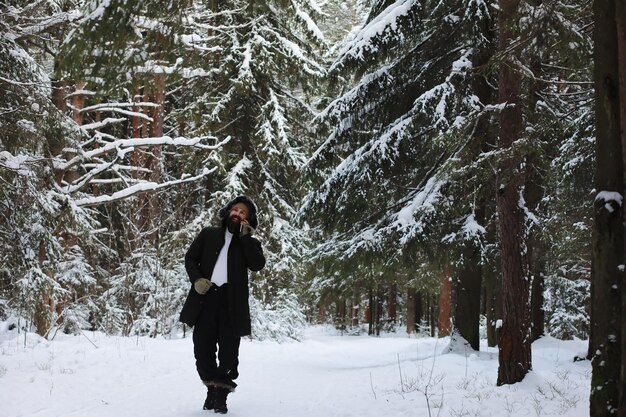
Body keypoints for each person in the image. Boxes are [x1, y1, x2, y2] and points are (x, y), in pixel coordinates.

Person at [182, 196, 265, 414]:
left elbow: (257, 265)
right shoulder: (209, 234)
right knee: (202, 349)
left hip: (232, 303)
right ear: (228, 212)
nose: (238, 214)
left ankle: (221, 396)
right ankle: (211, 388)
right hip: (206, 298)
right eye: (235, 210)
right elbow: (190, 258)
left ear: (248, 220)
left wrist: (246, 238)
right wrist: (197, 279)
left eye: (243, 213)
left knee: (228, 353)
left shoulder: (251, 244)